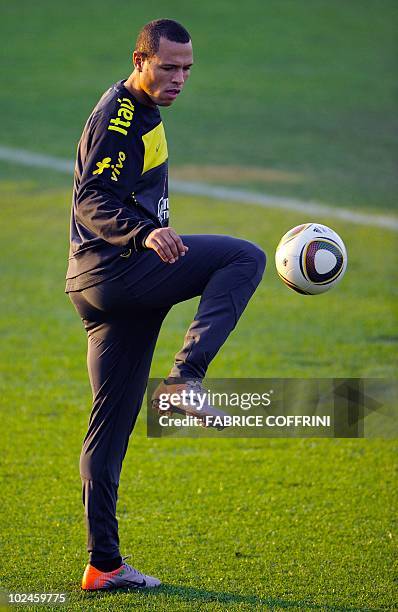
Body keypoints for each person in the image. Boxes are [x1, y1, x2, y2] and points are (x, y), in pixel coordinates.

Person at [66, 18, 266, 591]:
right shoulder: (122, 113)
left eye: (187, 69)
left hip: (97, 290)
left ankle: (103, 565)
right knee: (244, 258)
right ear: (139, 59)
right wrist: (142, 233)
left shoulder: (143, 110)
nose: (179, 79)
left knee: (109, 431)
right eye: (168, 66)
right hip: (120, 269)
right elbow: (90, 199)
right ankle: (185, 380)